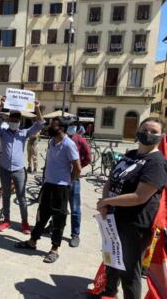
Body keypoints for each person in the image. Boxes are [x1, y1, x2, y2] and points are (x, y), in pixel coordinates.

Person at [96, 118, 167, 299]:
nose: (148, 134)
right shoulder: (131, 154)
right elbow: (111, 181)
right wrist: (105, 201)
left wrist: (108, 203)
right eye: (145, 129)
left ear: (161, 136)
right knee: (111, 260)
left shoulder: (157, 163)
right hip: (113, 218)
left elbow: (140, 196)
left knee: (129, 272)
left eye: (153, 131)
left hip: (134, 225)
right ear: (138, 130)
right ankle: (109, 292)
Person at [15, 116, 81, 263]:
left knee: (58, 219)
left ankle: (55, 249)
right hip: (48, 185)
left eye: (54, 125)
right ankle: (32, 242)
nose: (50, 127)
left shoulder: (69, 144)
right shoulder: (52, 141)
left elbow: (77, 168)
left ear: (62, 129)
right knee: (42, 216)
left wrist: (69, 181)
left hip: (61, 188)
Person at [0, 96, 44, 234]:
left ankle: (25, 222)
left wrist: (37, 108)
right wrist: (1, 106)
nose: (14, 122)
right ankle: (6, 220)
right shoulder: (3, 132)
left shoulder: (24, 133)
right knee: (6, 195)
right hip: (4, 169)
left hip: (19, 170)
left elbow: (40, 124)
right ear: (8, 121)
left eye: (16, 120)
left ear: (20, 122)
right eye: (12, 120)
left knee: (21, 197)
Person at [66, 122, 91, 247]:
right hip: (60, 178)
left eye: (73, 125)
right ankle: (53, 226)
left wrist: (79, 167)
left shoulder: (80, 140)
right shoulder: (62, 137)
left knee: (75, 208)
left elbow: (88, 157)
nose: (71, 128)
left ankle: (75, 234)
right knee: (58, 206)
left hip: (74, 178)